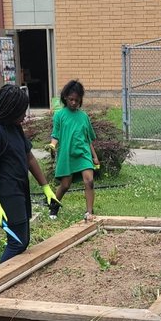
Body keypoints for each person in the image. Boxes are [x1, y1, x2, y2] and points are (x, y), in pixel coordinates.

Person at [0, 83, 58, 262]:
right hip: (6, 193)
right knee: (17, 242)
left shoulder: (14, 128)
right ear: (10, 110)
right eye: (21, 111)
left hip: (20, 188)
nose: (24, 115)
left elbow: (29, 157)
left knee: (22, 240)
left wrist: (46, 187)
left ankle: (10, 277)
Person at [47, 79, 99, 221]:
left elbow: (88, 139)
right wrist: (52, 145)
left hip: (83, 154)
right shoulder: (59, 115)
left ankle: (89, 212)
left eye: (77, 100)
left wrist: (94, 156)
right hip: (67, 154)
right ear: (65, 98)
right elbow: (56, 135)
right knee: (65, 185)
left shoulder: (84, 117)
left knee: (89, 181)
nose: (74, 103)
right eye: (71, 99)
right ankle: (54, 206)